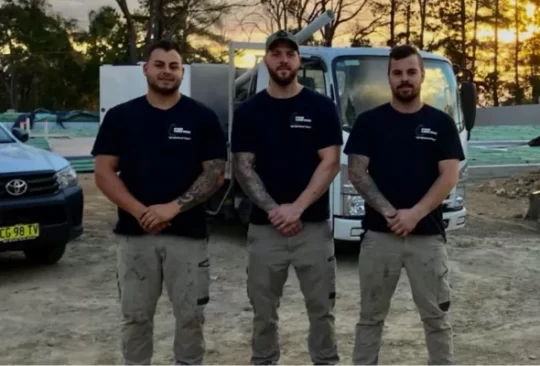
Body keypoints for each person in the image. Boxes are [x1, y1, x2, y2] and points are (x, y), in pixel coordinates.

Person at [91, 39, 227, 365]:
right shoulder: (122, 117)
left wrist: (173, 207)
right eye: (160, 64)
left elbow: (215, 174)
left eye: (174, 66)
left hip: (188, 237)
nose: (166, 72)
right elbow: (103, 173)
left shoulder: (202, 118)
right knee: (136, 318)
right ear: (146, 69)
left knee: (191, 317)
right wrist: (141, 212)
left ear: (182, 71)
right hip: (135, 236)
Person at [344, 44, 465, 365]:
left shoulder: (441, 123)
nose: (405, 79)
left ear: (422, 75)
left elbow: (449, 176)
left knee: (437, 319)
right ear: (389, 78)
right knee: (370, 318)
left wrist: (414, 214)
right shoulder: (370, 122)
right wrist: (389, 212)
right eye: (397, 73)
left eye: (411, 72)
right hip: (379, 238)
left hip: (427, 238)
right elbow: (356, 171)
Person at [231, 30, 343, 365]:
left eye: (289, 54)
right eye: (276, 53)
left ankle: (325, 361)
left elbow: (331, 162)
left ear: (298, 60)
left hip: (313, 230)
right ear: (266, 60)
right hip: (266, 231)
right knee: (264, 313)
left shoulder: (321, 107)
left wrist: (296, 208)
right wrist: (274, 210)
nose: (283, 60)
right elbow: (243, 166)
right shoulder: (249, 112)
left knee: (322, 311)